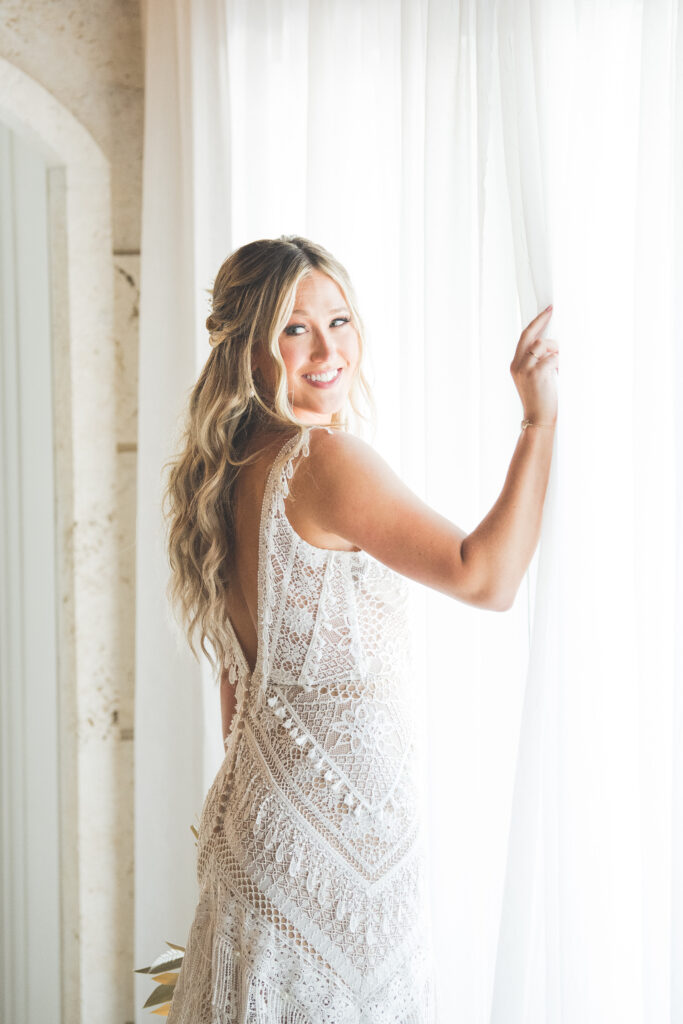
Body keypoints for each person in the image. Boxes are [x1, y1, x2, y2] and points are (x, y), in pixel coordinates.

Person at [161, 235, 558, 1022]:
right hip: (339, 854)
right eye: (294, 328)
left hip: (263, 829)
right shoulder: (321, 460)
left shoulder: (231, 463)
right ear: (248, 346)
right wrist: (538, 425)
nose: (326, 349)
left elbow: (236, 681)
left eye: (338, 321)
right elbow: (487, 576)